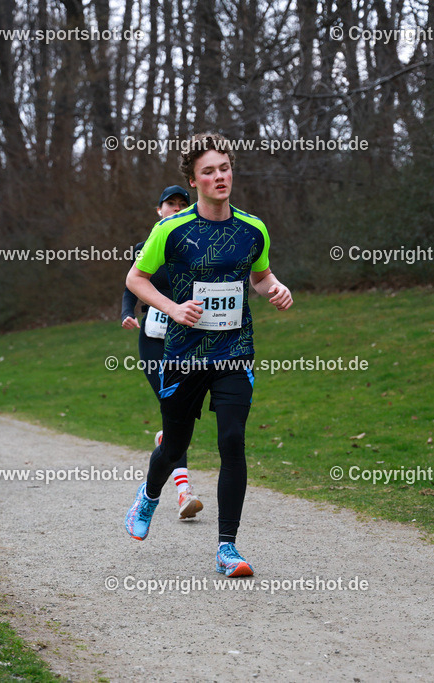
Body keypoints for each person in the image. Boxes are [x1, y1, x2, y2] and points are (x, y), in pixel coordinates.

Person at [123, 132, 293, 578]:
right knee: (175, 445)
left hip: (234, 351)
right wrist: (172, 308)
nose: (220, 177)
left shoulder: (253, 228)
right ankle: (149, 495)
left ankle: (227, 548)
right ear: (193, 180)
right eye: (209, 171)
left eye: (225, 168)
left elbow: (260, 276)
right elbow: (136, 279)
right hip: (184, 354)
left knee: (232, 441)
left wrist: (275, 288)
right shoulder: (171, 230)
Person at [121, 185, 203, 519]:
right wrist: (127, 312)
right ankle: (184, 492)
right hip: (154, 340)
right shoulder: (145, 248)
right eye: (171, 204)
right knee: (174, 409)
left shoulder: (197, 247)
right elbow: (131, 285)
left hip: (187, 339)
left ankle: (165, 440)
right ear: (159, 210)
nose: (177, 208)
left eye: (183, 204)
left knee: (183, 414)